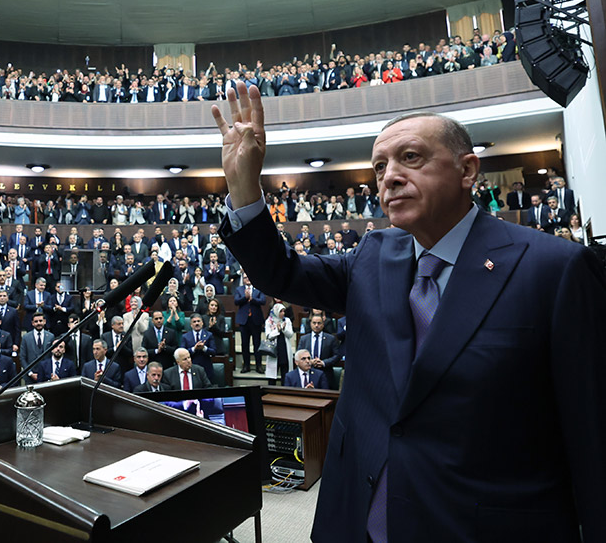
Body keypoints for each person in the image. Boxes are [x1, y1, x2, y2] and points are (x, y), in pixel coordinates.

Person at [212, 86, 606, 541]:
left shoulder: (555, 269)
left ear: (467, 170)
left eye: (411, 158)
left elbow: (592, 438)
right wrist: (243, 186)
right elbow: (280, 273)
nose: (389, 177)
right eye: (380, 167)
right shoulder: (373, 254)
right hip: (355, 516)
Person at [297, 313, 341, 389]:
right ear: (310, 324)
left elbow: (337, 356)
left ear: (323, 324)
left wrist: (324, 363)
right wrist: (309, 361)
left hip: (326, 374)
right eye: (314, 323)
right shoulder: (304, 339)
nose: (316, 325)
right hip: (308, 374)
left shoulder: (331, 339)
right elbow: (298, 355)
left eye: (319, 323)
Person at [233, 273, 265, 373]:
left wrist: (252, 298)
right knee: (245, 344)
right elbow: (236, 301)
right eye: (246, 277)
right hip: (244, 321)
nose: (247, 279)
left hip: (256, 321)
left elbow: (263, 301)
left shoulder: (258, 288)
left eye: (249, 277)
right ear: (243, 279)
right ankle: (246, 365)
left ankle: (258, 365)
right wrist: (245, 297)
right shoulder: (239, 289)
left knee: (257, 344)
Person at [263, 303, 295, 379]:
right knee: (272, 376)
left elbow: (290, 334)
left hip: (284, 349)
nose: (283, 313)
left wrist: (284, 329)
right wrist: (277, 330)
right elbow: (268, 336)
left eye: (284, 311)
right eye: (281, 311)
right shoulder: (269, 321)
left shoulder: (287, 320)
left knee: (285, 373)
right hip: (273, 349)